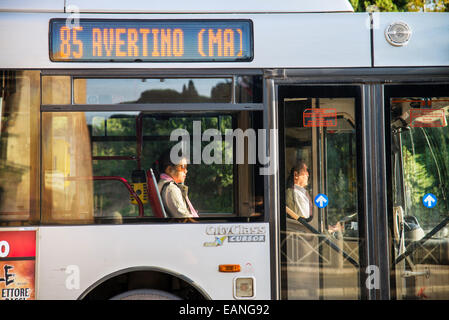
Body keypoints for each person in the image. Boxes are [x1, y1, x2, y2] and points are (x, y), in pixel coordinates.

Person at [155, 149, 199, 218]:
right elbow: (184, 218)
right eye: (183, 167)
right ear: (169, 169)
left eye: (186, 167)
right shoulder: (171, 189)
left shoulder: (164, 184)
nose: (186, 171)